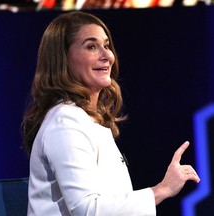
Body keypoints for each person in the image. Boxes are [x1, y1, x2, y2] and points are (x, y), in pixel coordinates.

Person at [22, 11, 200, 216]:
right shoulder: (65, 122)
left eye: (106, 46)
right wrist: (162, 190)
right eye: (91, 46)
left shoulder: (84, 120)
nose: (108, 56)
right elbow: (87, 210)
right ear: (63, 59)